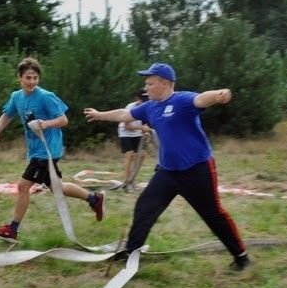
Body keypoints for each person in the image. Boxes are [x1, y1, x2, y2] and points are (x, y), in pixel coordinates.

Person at [84, 63, 250, 271]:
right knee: (145, 207)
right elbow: (123, 115)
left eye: (150, 83)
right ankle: (131, 253)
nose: (146, 88)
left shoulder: (181, 100)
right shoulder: (150, 106)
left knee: (213, 214)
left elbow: (201, 98)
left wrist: (219, 94)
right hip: (168, 172)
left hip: (197, 170)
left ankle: (241, 257)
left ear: (164, 83)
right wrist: (100, 114)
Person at [0, 57, 105, 243]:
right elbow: (7, 114)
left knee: (23, 186)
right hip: (36, 150)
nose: (32, 82)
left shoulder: (45, 96)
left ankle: (12, 229)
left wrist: (46, 123)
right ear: (19, 77)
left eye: (35, 78)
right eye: (28, 78)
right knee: (58, 188)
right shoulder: (16, 97)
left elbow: (63, 120)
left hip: (48, 150)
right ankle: (94, 199)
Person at [119, 90, 151, 193]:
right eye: (143, 100)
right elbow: (127, 126)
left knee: (142, 155)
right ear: (138, 99)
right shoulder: (130, 107)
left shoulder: (148, 107)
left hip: (137, 132)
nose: (146, 103)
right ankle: (127, 182)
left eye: (147, 100)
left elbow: (145, 124)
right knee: (130, 155)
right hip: (125, 132)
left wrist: (146, 132)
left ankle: (133, 179)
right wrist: (142, 128)